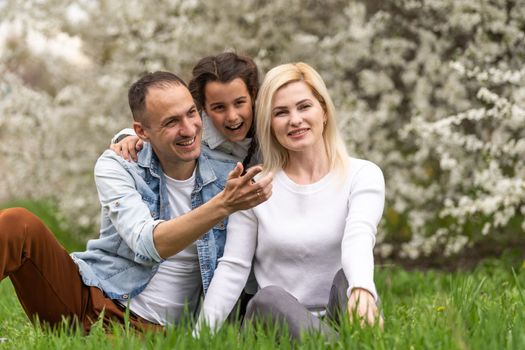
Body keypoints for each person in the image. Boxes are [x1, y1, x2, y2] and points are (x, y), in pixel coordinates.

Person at [0, 71, 272, 332]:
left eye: (191, 113)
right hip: (90, 301)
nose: (188, 129)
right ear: (142, 131)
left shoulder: (230, 177)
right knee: (17, 223)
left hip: (159, 330)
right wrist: (223, 205)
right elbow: (147, 244)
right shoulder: (120, 164)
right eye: (171, 122)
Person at [195, 62, 385, 340]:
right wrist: (199, 338)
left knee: (348, 279)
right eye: (281, 113)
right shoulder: (256, 186)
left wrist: (361, 288)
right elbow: (234, 266)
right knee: (268, 298)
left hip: (341, 315)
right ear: (270, 124)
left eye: (304, 107)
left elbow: (359, 235)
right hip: (275, 324)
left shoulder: (362, 174)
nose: (295, 120)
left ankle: (339, 339)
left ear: (324, 111)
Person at [112, 52, 261, 169]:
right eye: (219, 107)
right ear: (203, 108)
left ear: (253, 95)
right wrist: (126, 138)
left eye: (239, 103)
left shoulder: (271, 121)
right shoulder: (195, 128)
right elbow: (157, 126)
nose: (232, 116)